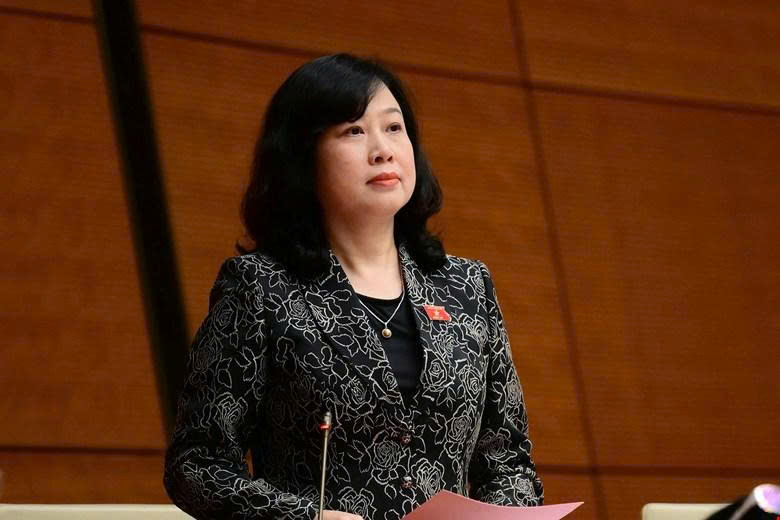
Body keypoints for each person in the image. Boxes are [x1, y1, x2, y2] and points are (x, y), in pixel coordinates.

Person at [164, 53, 543, 520]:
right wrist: (307, 518)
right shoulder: (260, 288)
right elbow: (197, 464)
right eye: (354, 131)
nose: (382, 150)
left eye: (394, 128)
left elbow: (508, 463)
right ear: (303, 157)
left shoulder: (467, 287)